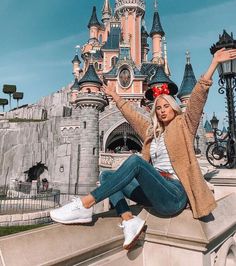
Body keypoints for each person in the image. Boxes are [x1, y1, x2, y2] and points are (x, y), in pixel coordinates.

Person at [50, 48, 236, 250]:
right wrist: (114, 95)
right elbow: (132, 114)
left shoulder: (184, 125)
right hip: (155, 189)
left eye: (166, 106)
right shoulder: (151, 132)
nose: (163, 111)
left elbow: (198, 98)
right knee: (106, 176)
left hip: (174, 194)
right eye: (158, 108)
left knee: (136, 161)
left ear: (174, 107)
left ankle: (85, 204)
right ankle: (129, 220)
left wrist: (214, 64)